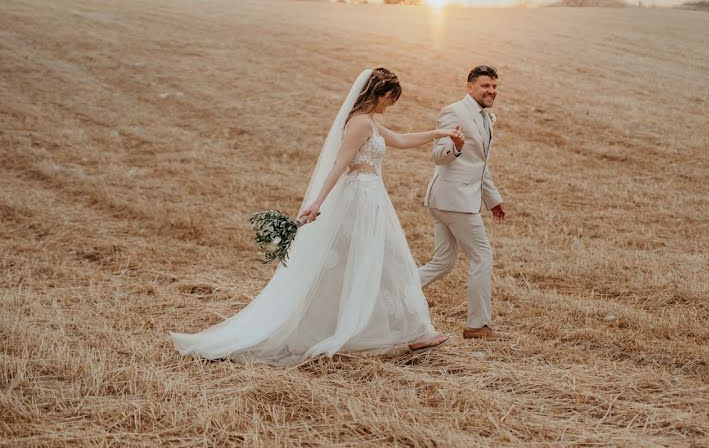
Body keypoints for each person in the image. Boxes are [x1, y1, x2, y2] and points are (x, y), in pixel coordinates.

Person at [170, 68, 457, 364]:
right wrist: (318, 201)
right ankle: (409, 333)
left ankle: (416, 333)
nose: (389, 106)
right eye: (389, 99)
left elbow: (400, 139)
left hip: (372, 197)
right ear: (379, 94)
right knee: (377, 259)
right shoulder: (359, 124)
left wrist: (439, 133)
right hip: (360, 198)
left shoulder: (369, 122)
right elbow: (340, 164)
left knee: (384, 260)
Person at [419, 65, 508, 340]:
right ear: (470, 87)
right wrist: (455, 147)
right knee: (482, 256)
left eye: (494, 86)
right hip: (454, 200)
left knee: (444, 262)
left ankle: (394, 291)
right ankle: (477, 326)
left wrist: (493, 200)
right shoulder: (454, 111)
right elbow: (437, 154)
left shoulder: (485, 118)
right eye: (485, 86)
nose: (491, 91)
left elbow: (479, 165)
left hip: (449, 200)